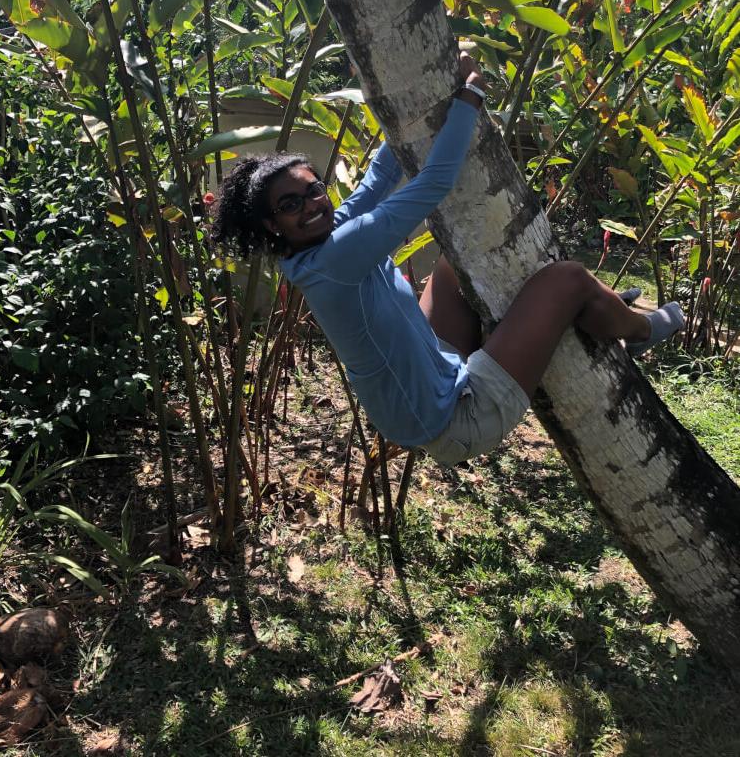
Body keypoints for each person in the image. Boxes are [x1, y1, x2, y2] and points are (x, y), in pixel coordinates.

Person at [212, 54, 684, 467]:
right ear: (271, 225)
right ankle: (641, 331)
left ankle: (596, 308)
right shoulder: (335, 256)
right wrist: (470, 96)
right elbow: (433, 184)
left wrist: (414, 106)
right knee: (568, 278)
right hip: (458, 419)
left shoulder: (314, 243)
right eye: (290, 204)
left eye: (313, 189)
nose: (312, 204)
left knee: (454, 264)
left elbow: (377, 181)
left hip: (433, 380)